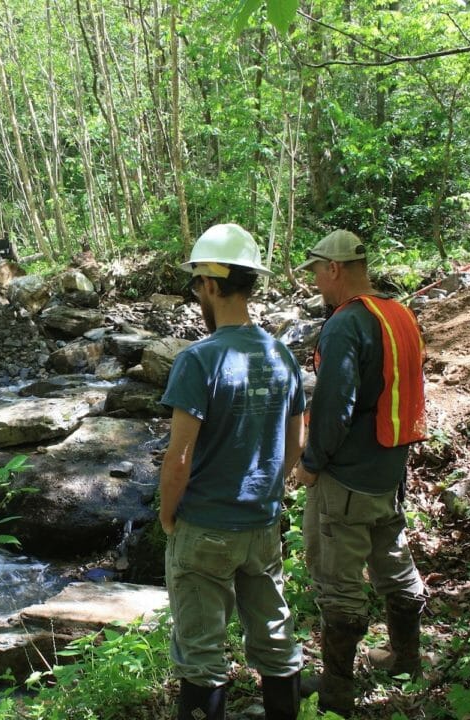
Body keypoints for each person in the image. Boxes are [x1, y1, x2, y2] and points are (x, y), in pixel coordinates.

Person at [160, 223, 305, 720]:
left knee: (201, 654)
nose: (197, 293)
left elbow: (179, 456)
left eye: (198, 283)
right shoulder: (279, 353)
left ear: (214, 286)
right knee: (274, 637)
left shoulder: (198, 360)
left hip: (205, 527)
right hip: (262, 525)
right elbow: (295, 443)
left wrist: (168, 517)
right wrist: (269, 493)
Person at [292, 230, 428, 715]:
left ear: (334, 269)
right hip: (391, 465)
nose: (315, 284)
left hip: (348, 474)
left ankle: (336, 689)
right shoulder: (398, 313)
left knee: (338, 579)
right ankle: (407, 658)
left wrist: (311, 464)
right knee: (392, 558)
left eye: (316, 272)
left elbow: (334, 405)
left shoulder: (346, 324)